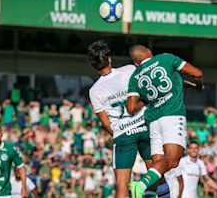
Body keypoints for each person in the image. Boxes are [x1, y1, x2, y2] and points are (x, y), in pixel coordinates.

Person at [126, 45, 204, 197]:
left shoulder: (135, 76)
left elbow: (131, 108)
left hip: (154, 121)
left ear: (136, 63)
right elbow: (197, 73)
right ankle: (140, 185)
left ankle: (147, 191)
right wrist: (199, 86)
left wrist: (148, 98)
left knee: (159, 168)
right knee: (173, 160)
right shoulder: (165, 58)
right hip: (173, 115)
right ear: (149, 51)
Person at [87, 41, 159, 198]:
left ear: (93, 66)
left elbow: (106, 123)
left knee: (122, 184)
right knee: (154, 173)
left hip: (123, 134)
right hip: (145, 127)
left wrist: (122, 134)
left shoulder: (94, 91)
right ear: (110, 59)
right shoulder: (129, 70)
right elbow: (147, 94)